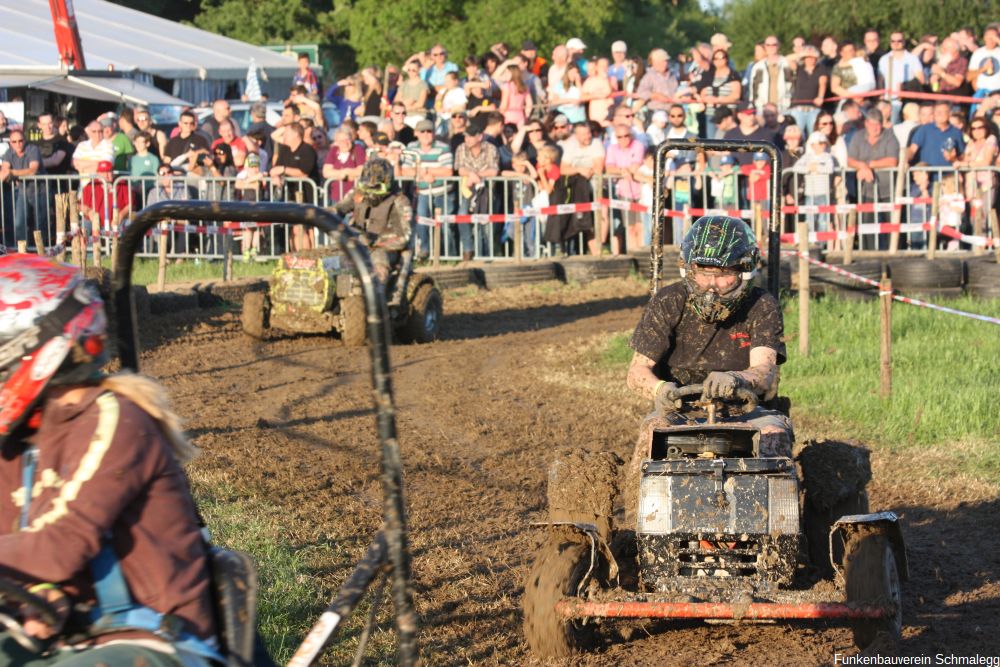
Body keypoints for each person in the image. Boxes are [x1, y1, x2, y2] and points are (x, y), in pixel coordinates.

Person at [0, 255, 221, 667]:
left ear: (32, 347)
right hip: (74, 635)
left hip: (156, 640)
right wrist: (42, 591)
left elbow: (58, 546)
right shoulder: (17, 442)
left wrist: (49, 581)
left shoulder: (114, 419)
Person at [623, 216, 790, 517]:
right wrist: (661, 388)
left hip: (746, 412)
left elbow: (765, 372)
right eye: (704, 272)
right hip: (680, 411)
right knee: (652, 432)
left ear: (743, 270)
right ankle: (640, 528)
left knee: (773, 436)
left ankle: (777, 530)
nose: (711, 284)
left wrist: (736, 378)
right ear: (690, 268)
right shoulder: (669, 301)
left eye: (723, 273)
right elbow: (636, 372)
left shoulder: (761, 305)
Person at [331, 157, 413, 290]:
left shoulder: (399, 201)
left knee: (378, 267)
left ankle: (375, 301)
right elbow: (339, 208)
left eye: (376, 187)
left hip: (384, 249)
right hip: (355, 243)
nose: (371, 191)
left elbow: (404, 236)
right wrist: (324, 214)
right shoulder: (357, 193)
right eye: (368, 185)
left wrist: (374, 241)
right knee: (330, 261)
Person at [401, 119, 454, 260]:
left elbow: (448, 171)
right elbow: (405, 170)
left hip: (442, 191)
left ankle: (449, 253)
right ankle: (425, 250)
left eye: (429, 131)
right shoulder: (411, 148)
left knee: (444, 224)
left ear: (434, 133)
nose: (426, 134)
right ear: (416, 133)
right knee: (422, 220)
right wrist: (425, 173)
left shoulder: (443, 147)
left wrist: (426, 170)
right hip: (422, 192)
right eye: (422, 131)